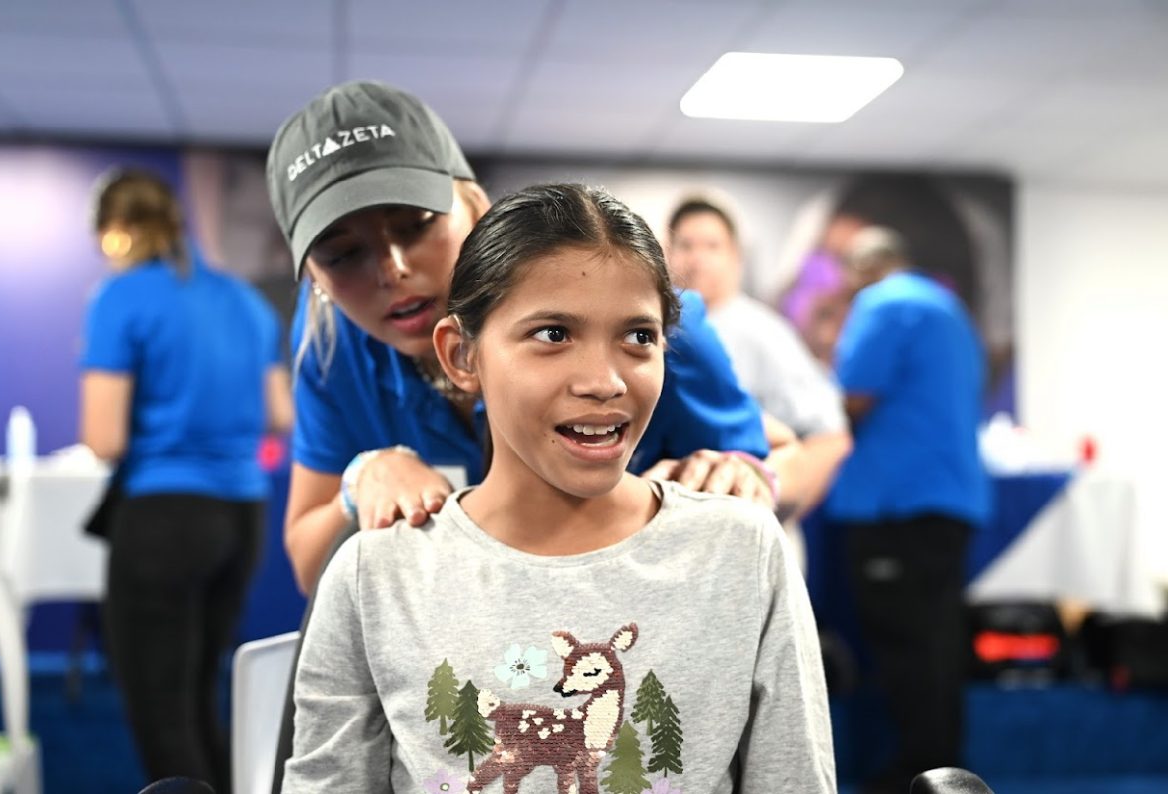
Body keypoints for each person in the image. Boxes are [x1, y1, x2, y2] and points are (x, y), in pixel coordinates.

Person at [281, 183, 835, 793]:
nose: (604, 381)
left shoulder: (743, 552)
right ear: (462, 354)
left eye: (638, 337)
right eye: (552, 334)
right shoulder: (375, 575)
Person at [265, 80, 776, 598]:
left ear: (474, 204)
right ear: (313, 274)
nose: (392, 269)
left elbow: (775, 465)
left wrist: (737, 473)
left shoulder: (656, 325)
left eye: (417, 224)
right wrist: (360, 482)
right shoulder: (330, 343)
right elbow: (312, 572)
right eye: (342, 254)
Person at [78, 168, 293, 793]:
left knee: (159, 705)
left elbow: (105, 437)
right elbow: (279, 415)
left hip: (162, 519)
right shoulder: (245, 300)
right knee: (201, 690)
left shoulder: (120, 298)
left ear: (115, 234)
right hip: (241, 517)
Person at [827, 226, 988, 794]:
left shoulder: (884, 303)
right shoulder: (948, 308)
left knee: (904, 647)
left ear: (861, 271)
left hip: (897, 505)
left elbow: (848, 399)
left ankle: (912, 774)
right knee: (938, 644)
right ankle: (947, 774)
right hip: (951, 502)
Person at [666, 196, 852, 523]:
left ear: (736, 257)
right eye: (686, 245)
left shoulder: (762, 332)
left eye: (712, 246)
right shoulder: (658, 331)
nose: (697, 259)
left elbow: (831, 440)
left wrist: (774, 510)